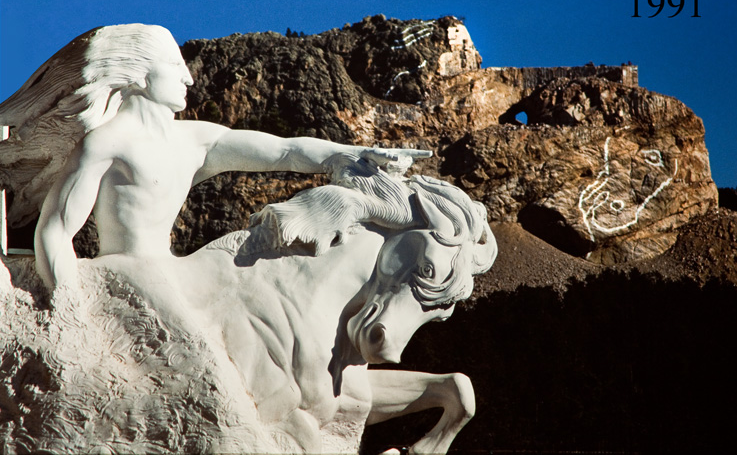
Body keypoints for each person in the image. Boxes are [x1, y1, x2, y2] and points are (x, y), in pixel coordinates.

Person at [0, 24, 429, 292]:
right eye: (175, 64)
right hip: (129, 280)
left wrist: (349, 153)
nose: (188, 76)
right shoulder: (107, 143)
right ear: (141, 74)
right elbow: (54, 231)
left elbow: (285, 149)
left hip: (174, 273)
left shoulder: (195, 140)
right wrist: (69, 303)